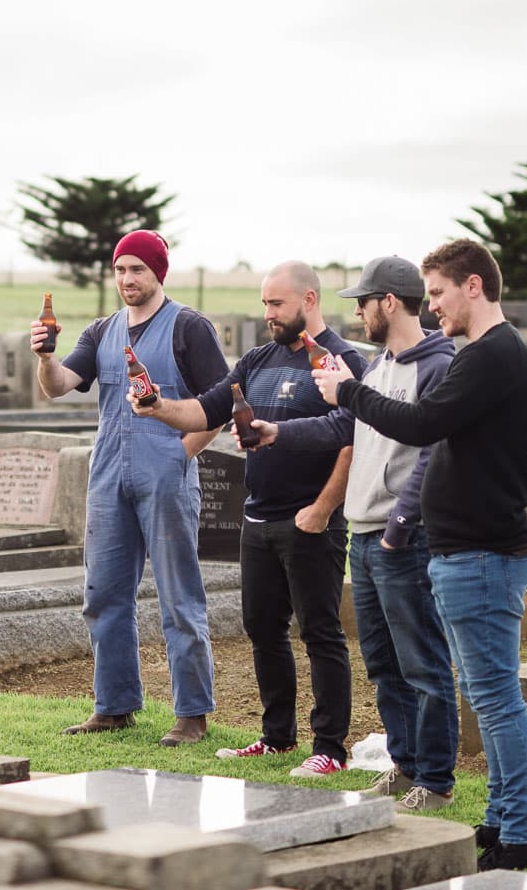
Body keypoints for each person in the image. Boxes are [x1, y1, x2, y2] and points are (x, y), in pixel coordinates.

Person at [310, 239, 527, 872]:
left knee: (495, 697)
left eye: (438, 292)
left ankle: (521, 834)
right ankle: (500, 820)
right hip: (464, 550)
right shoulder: (485, 354)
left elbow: (419, 425)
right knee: (483, 692)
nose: (432, 304)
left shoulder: (490, 356)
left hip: (483, 552)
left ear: (474, 286)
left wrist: (348, 392)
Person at [132, 260, 365, 777]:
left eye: (276, 304)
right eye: (264, 304)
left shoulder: (340, 360)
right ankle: (277, 737)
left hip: (311, 518)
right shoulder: (259, 359)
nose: (268, 315)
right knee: (263, 628)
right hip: (258, 518)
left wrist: (323, 509)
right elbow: (206, 410)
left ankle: (329, 747)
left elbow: (352, 437)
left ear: (309, 299)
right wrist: (156, 407)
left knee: (321, 632)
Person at [248, 256, 458, 810]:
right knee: (385, 666)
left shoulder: (436, 365)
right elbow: (347, 425)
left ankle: (435, 782)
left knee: (423, 664)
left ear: (389, 302)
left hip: (398, 539)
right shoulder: (379, 365)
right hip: (364, 535)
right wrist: (277, 432)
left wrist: (398, 526)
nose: (358, 312)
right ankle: (405, 768)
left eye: (363, 302)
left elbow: (431, 454)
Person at [29, 230, 228, 746]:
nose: (127, 279)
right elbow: (56, 387)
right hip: (108, 475)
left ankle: (192, 713)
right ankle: (114, 705)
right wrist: (44, 357)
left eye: (137, 269)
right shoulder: (101, 331)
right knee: (103, 595)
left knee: (177, 595)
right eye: (120, 270)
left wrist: (181, 452)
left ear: (158, 273)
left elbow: (224, 404)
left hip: (165, 474)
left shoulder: (189, 327)